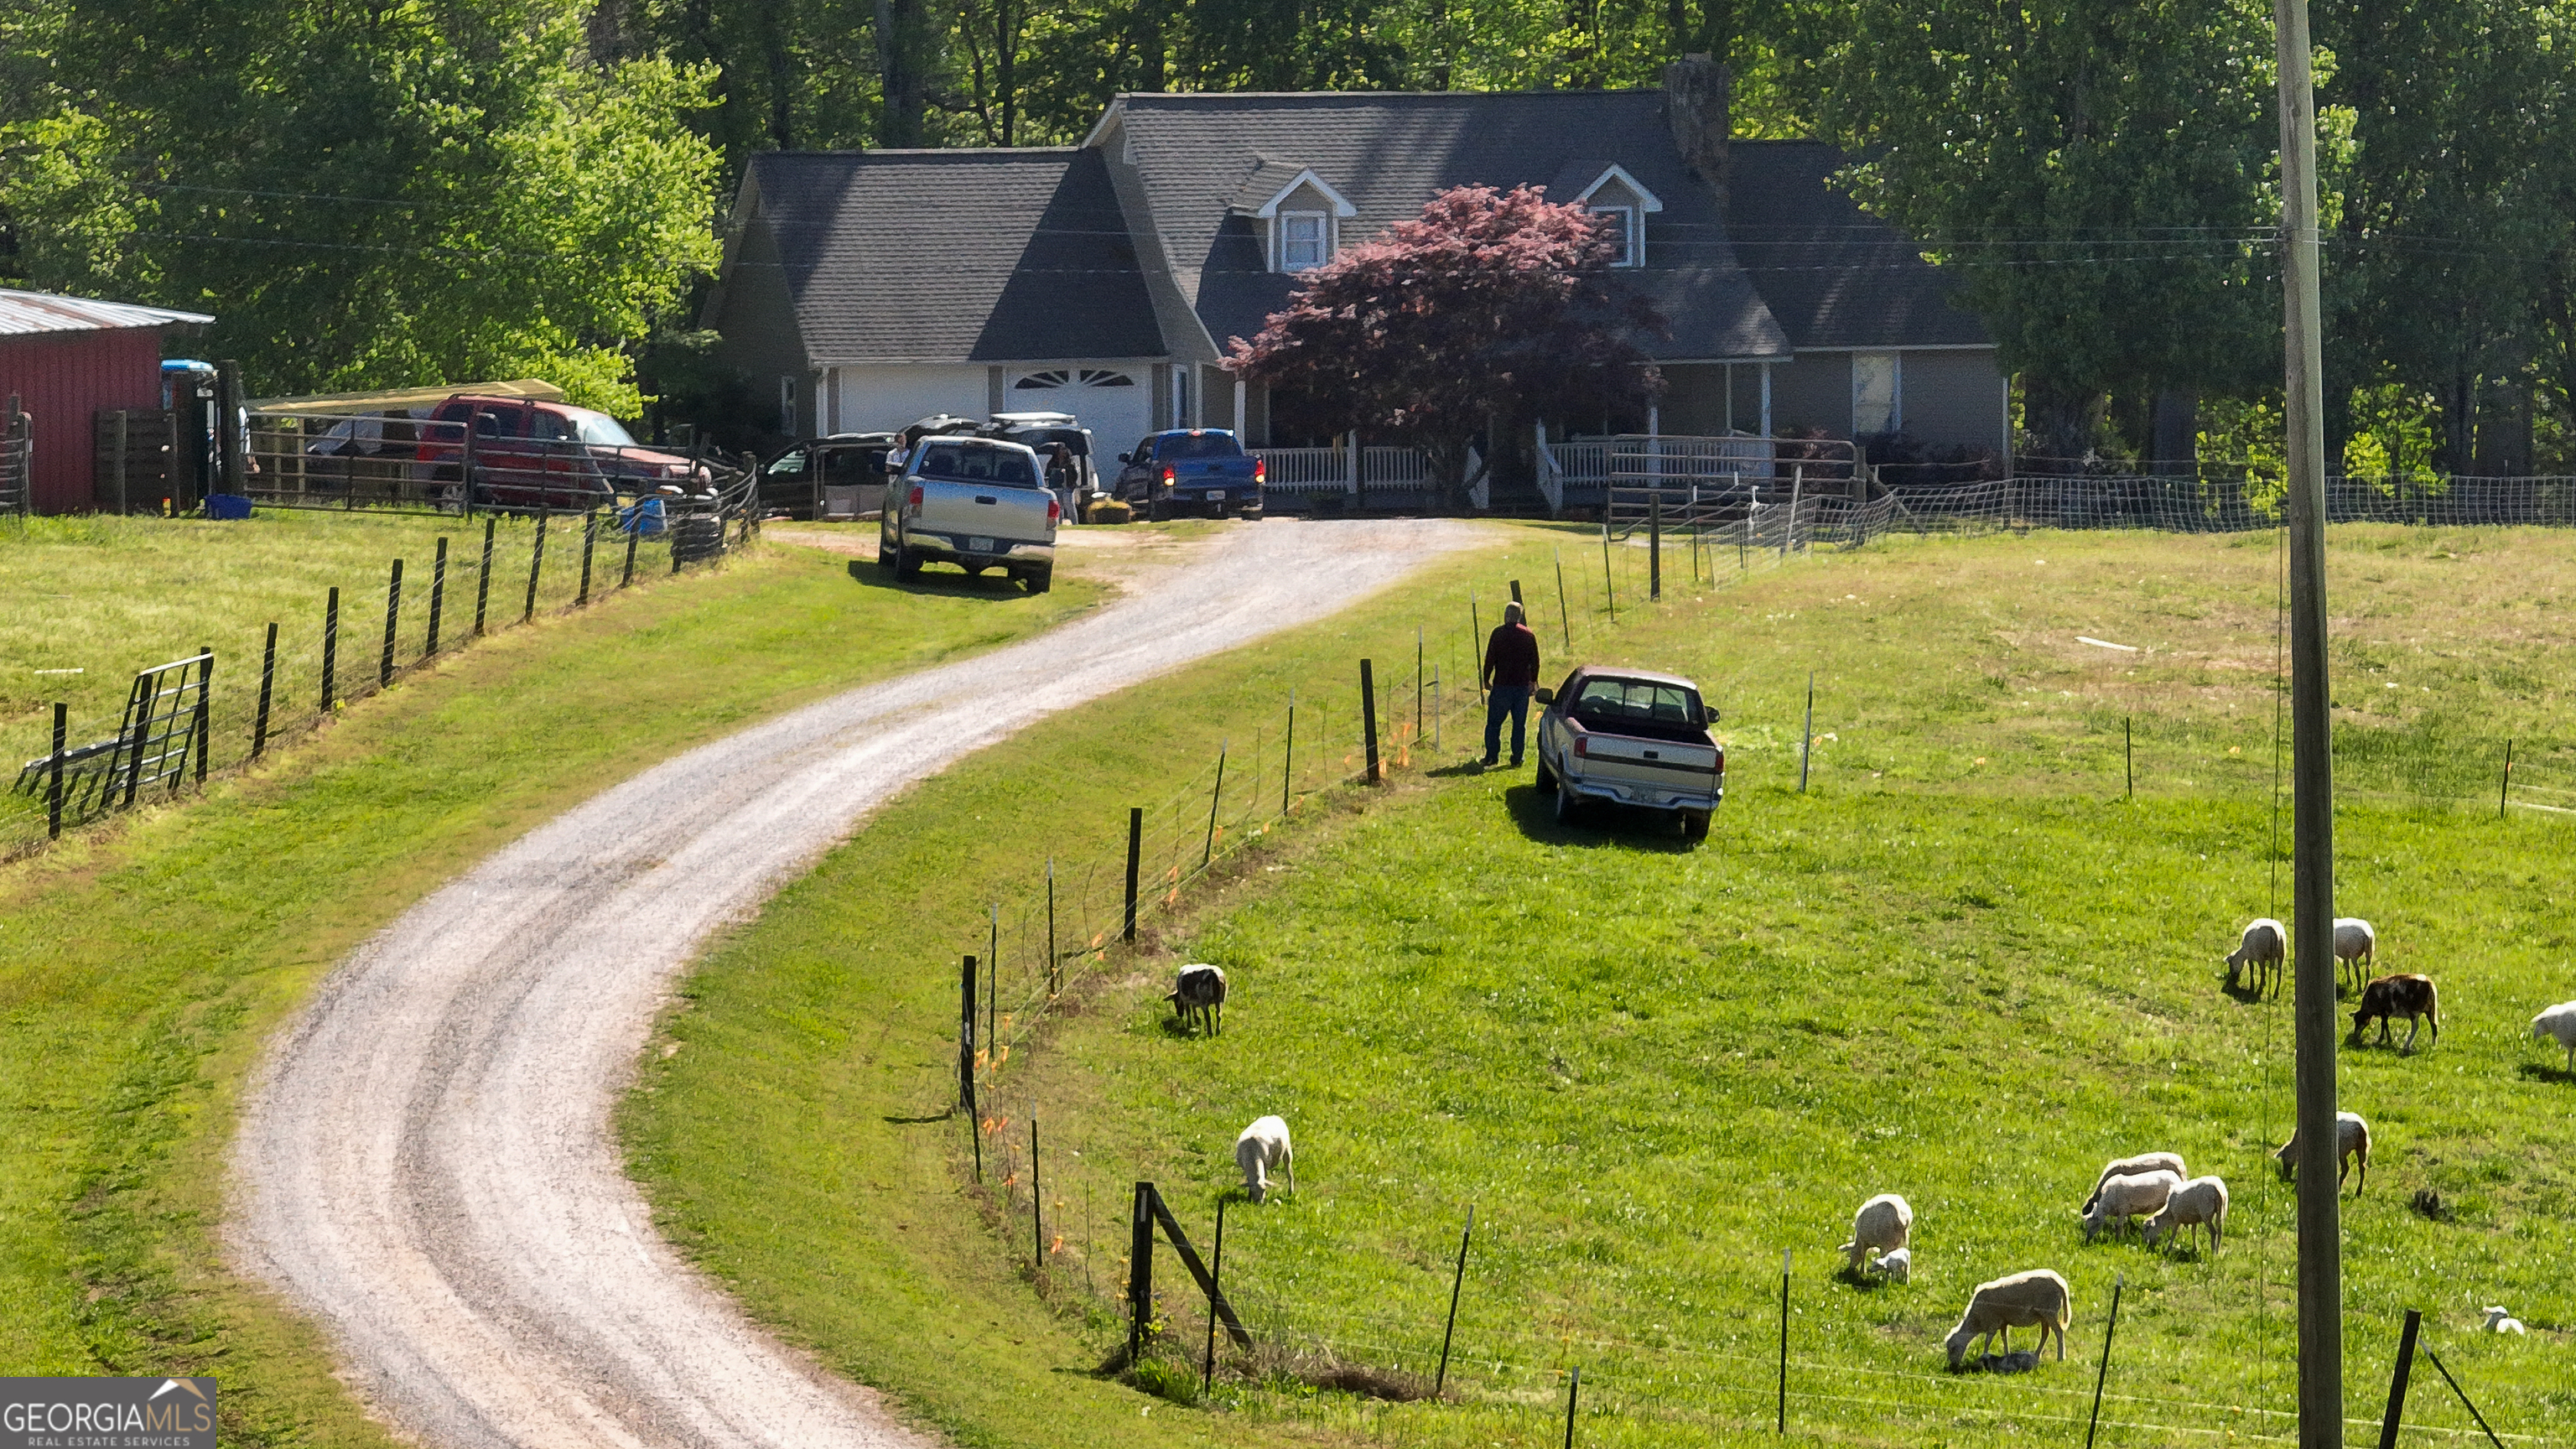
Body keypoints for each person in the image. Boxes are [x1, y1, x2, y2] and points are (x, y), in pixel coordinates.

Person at [1481, 599, 1542, 768]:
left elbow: (1490, 660)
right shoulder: (1528, 635)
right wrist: (1533, 680)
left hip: (1502, 685)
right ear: (1520, 616)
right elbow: (1535, 661)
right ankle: (1517, 758)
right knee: (1519, 725)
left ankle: (1492, 757)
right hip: (1521, 687)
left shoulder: (1498, 633)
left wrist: (1486, 679)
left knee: (1494, 724)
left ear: (1506, 616)